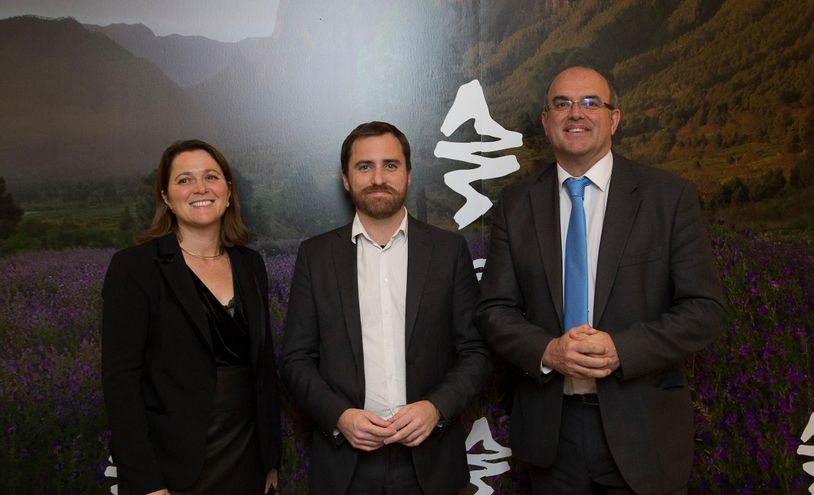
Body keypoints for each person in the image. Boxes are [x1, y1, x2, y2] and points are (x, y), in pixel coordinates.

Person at [475, 67, 727, 494]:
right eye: (562, 104)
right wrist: (548, 351)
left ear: (614, 119)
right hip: (552, 436)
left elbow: (705, 310)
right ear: (546, 121)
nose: (576, 113)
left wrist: (621, 350)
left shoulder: (668, 197)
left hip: (644, 431)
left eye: (591, 102)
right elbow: (494, 310)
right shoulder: (516, 204)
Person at [280, 121, 491, 495]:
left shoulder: (448, 251)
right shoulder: (316, 256)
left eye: (390, 165)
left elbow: (476, 352)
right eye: (365, 167)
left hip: (429, 463)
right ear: (346, 179)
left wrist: (435, 408)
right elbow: (296, 359)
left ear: (408, 174)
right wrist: (339, 416)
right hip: (346, 465)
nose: (378, 178)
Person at [101, 140, 281, 495]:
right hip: (174, 464)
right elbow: (121, 382)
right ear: (166, 197)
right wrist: (146, 481)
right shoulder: (135, 267)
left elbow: (264, 367)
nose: (200, 188)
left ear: (228, 191)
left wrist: (270, 458)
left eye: (211, 177)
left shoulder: (251, 264)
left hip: (248, 454)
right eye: (185, 180)